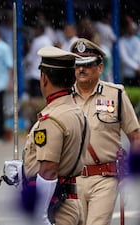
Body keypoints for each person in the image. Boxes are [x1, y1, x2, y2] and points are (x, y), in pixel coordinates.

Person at [70, 38, 140, 225]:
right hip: (71, 181)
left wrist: (132, 172)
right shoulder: (64, 97)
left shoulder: (115, 94)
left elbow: (135, 136)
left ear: (100, 68)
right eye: (77, 65)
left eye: (87, 65)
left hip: (104, 178)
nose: (81, 70)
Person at [21, 46, 89, 225]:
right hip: (71, 201)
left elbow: (49, 170)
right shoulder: (76, 111)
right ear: (73, 78)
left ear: (43, 79)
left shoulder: (52, 118)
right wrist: (22, 169)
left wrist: (40, 216)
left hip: (56, 208)